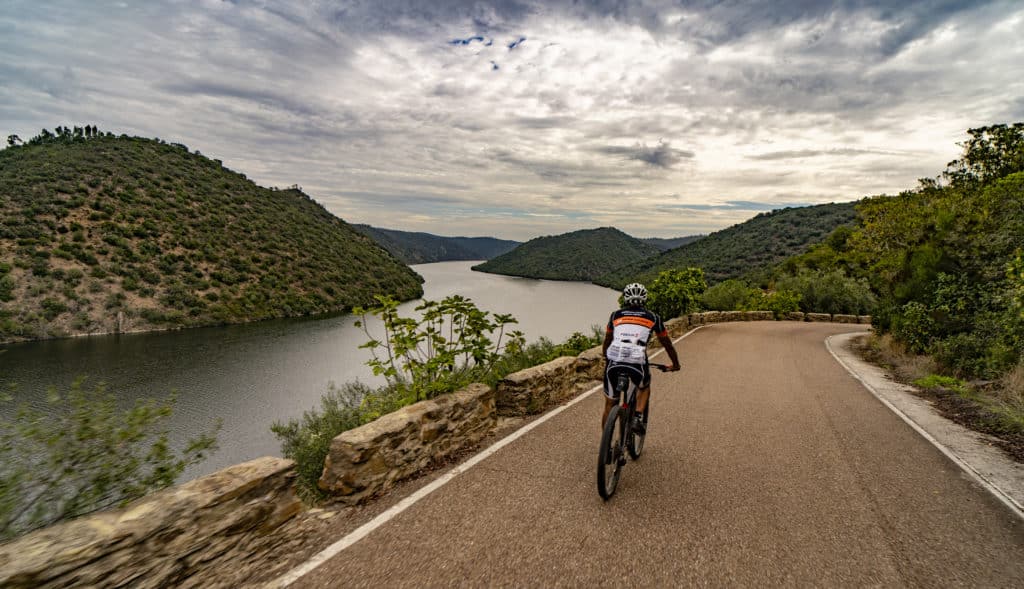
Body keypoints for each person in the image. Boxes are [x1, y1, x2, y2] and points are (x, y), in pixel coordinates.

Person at [601, 282, 680, 433]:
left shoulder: (615, 315)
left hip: (614, 360)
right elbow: (667, 344)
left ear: (625, 298)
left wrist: (606, 356)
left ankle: (606, 447)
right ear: (644, 299)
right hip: (636, 361)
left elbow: (607, 340)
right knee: (644, 387)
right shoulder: (654, 318)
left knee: (610, 404)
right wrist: (675, 364)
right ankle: (637, 417)